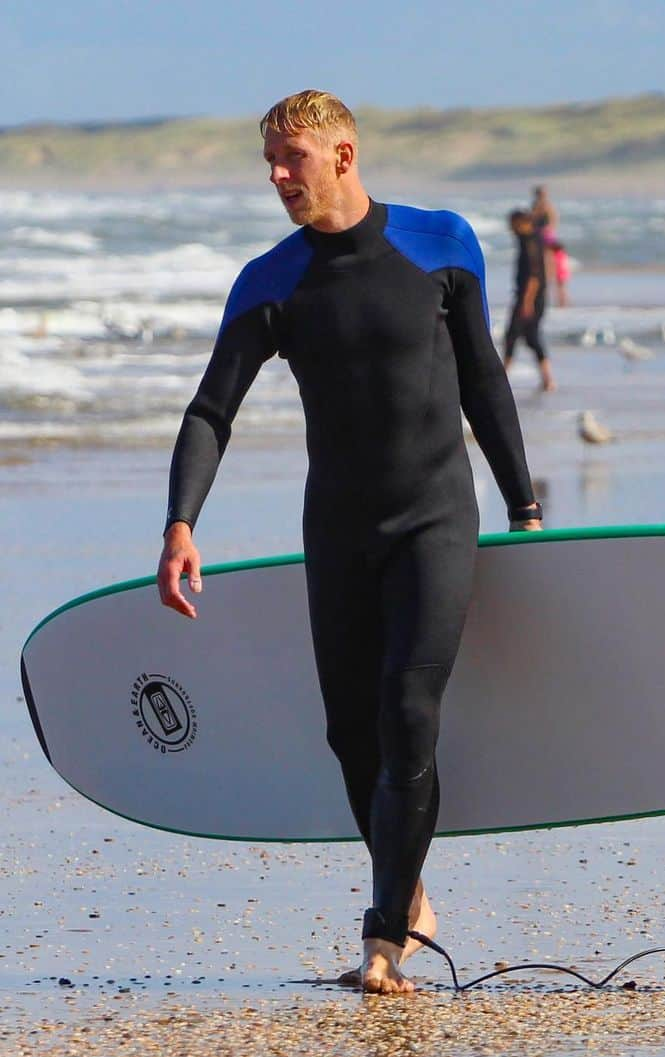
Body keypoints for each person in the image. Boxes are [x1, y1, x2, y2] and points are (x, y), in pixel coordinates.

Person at [155, 90, 542, 995]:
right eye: (270, 163)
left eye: (294, 158)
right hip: (337, 530)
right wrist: (180, 524)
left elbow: (484, 380)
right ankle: (410, 890)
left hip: (437, 521)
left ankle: (383, 938)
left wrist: (525, 513)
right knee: (349, 735)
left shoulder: (441, 242)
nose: (280, 176)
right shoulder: (271, 281)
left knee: (409, 713)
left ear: (343, 153)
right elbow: (212, 411)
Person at [502, 210, 555, 392]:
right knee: (531, 337)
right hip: (534, 296)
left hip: (529, 297)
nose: (510, 229)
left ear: (521, 223)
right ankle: (547, 379)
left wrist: (527, 302)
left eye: (513, 224)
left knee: (512, 335)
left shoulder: (528, 242)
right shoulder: (533, 237)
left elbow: (533, 276)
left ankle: (501, 379)